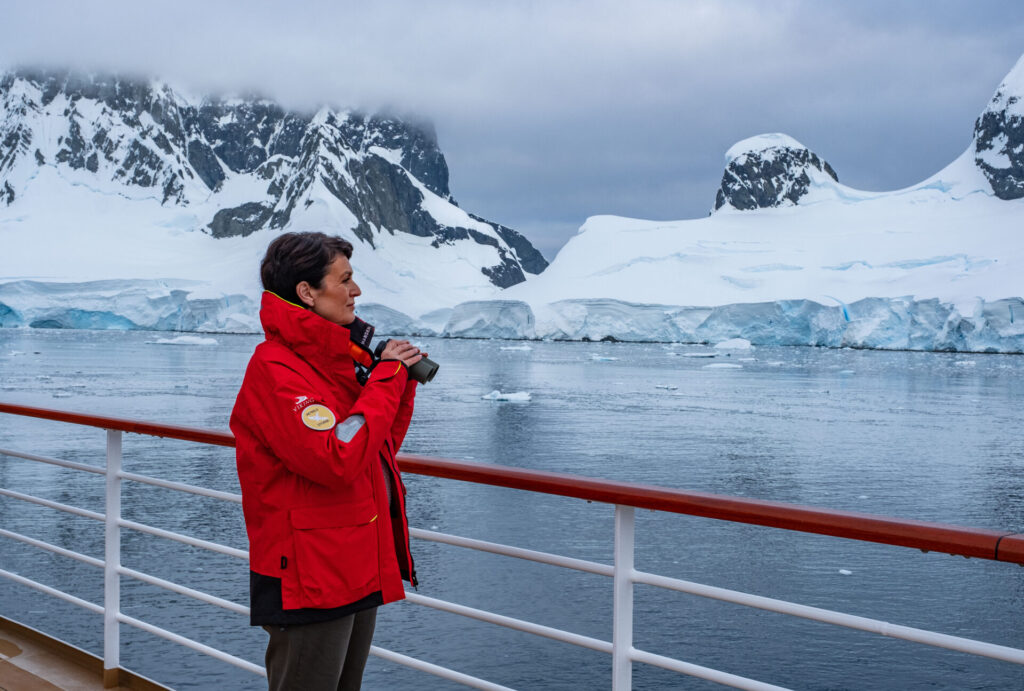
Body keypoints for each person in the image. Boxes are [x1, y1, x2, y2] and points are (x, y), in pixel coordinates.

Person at [230, 231, 422, 690]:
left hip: (351, 563)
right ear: (306, 293)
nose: (356, 291)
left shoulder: (331, 364)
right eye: (346, 279)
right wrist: (385, 381)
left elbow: (374, 447)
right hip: (310, 576)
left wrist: (396, 383)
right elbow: (336, 458)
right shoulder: (276, 370)